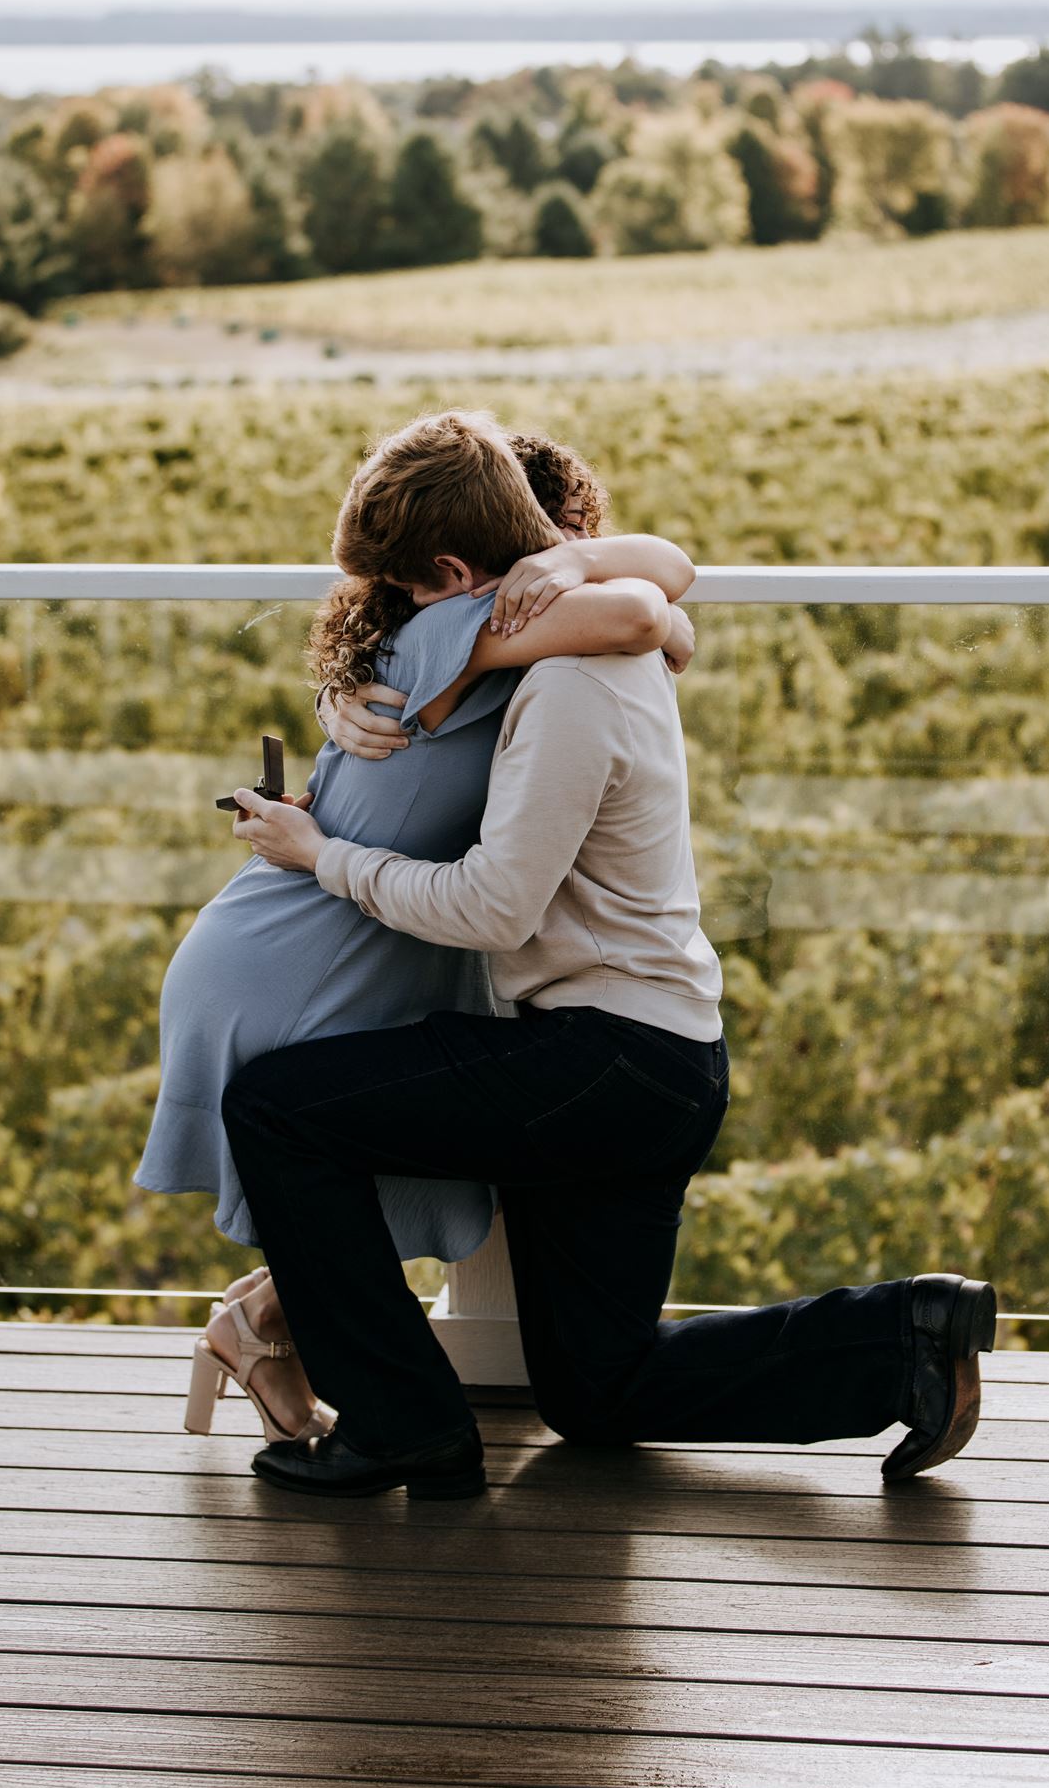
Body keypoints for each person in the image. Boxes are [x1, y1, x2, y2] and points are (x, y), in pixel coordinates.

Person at [221, 419, 997, 1498]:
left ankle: (402, 1425)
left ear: (460, 576)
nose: (404, 619)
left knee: (273, 1105)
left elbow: (493, 906)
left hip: (604, 1060)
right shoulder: (572, 660)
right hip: (647, 1059)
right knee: (597, 1392)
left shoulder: (575, 684)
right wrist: (345, 705)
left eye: (409, 596)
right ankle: (902, 1335)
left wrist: (323, 855)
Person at [136, 413, 697, 1441]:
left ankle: (264, 1329)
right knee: (337, 1142)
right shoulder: (462, 623)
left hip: (350, 926)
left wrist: (564, 564)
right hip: (306, 941)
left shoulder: (462, 630)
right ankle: (292, 1344)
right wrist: (571, 568)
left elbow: (664, 602)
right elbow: (649, 614)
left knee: (366, 1146)